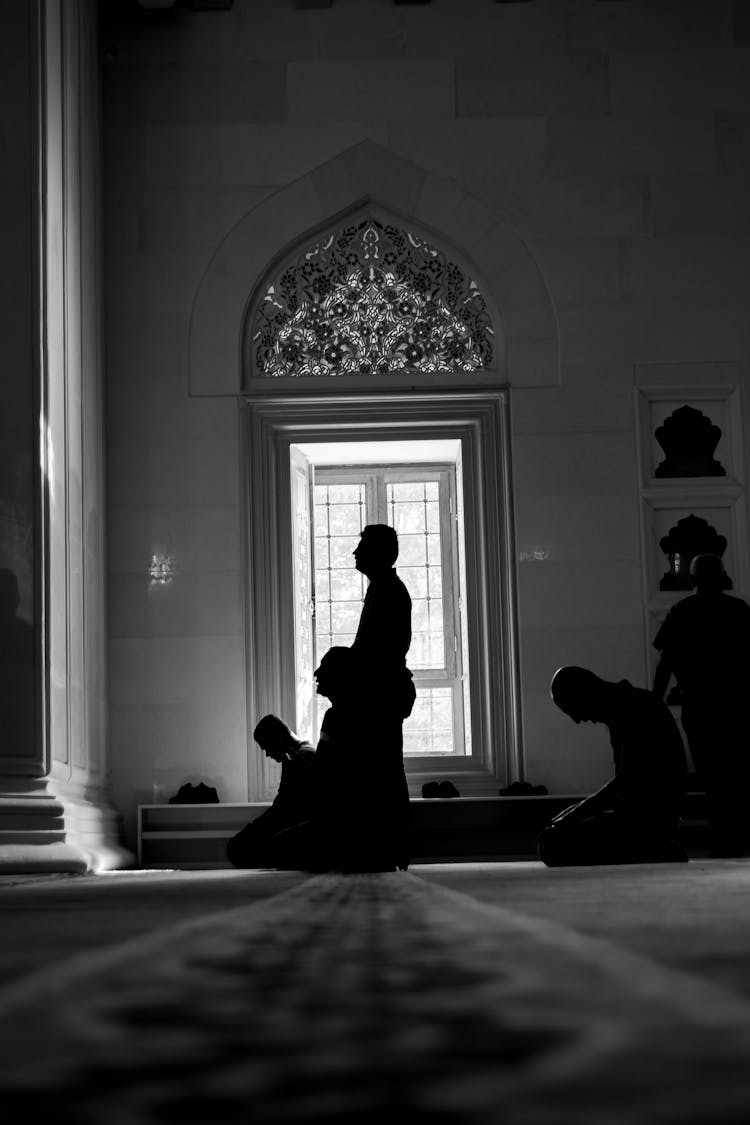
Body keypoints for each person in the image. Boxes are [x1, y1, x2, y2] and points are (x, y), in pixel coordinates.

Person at [537, 666, 688, 867]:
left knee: (553, 844)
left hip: (651, 819)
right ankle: (649, 850)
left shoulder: (635, 708)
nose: (577, 720)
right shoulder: (627, 706)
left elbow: (627, 781)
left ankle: (654, 850)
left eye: (573, 708)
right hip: (642, 815)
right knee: (552, 841)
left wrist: (575, 814)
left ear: (585, 692)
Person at [653, 553, 750, 856]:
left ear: (692, 578)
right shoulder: (737, 610)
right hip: (735, 707)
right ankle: (732, 835)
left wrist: (656, 702)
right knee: (733, 771)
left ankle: (723, 837)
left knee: (711, 772)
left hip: (700, 707)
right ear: (722, 575)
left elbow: (665, 664)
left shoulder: (682, 611)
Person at [313, 645, 410, 872]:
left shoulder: (339, 718)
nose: (317, 673)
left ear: (340, 676)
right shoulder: (381, 717)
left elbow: (324, 774)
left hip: (354, 828)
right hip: (375, 832)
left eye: (324, 667)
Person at [226, 715, 317, 869]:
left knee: (237, 849)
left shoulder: (298, 758)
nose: (267, 754)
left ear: (277, 737)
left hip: (302, 828)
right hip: (297, 823)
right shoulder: (301, 752)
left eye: (266, 746)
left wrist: (254, 827)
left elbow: (283, 809)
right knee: (239, 847)